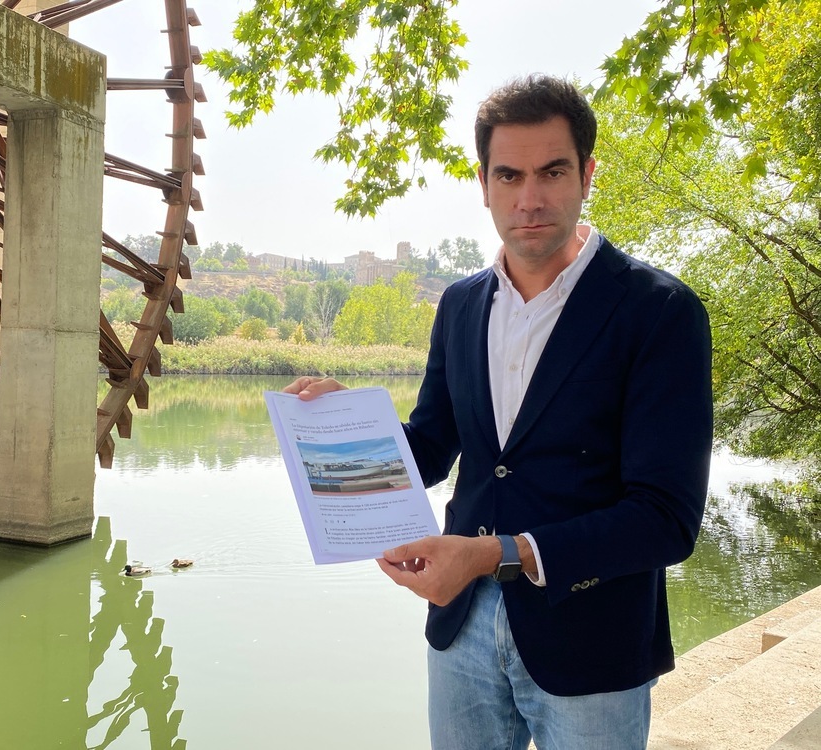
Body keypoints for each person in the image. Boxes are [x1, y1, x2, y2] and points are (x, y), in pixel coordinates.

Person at [285, 74, 713, 750]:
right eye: (509, 175)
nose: (530, 198)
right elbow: (429, 445)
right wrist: (348, 428)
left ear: (588, 175)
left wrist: (493, 555)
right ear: (483, 182)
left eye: (552, 172)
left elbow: (666, 519)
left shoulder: (660, 312)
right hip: (461, 634)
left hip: (592, 642)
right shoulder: (459, 304)